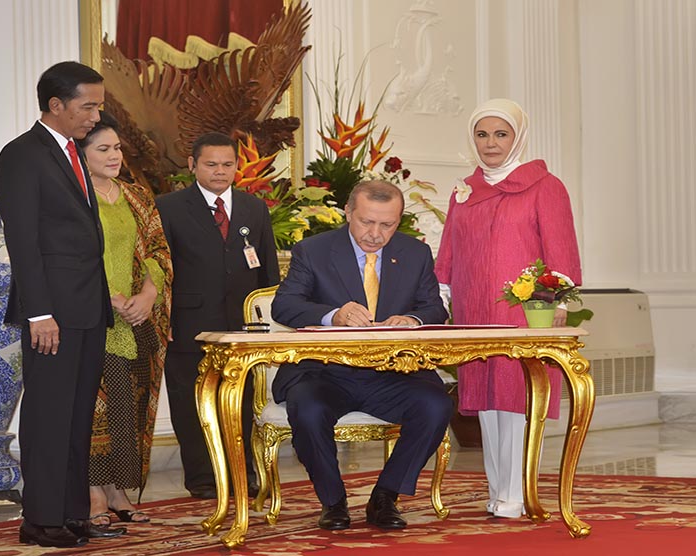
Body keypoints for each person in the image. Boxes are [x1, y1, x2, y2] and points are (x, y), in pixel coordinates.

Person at [0, 61, 126, 548]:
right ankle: (41, 520)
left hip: (87, 308)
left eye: (99, 105)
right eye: (88, 105)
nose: (96, 115)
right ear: (56, 105)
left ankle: (72, 513)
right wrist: (38, 312)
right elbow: (24, 242)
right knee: (49, 416)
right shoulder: (22, 155)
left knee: (75, 419)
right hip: (51, 312)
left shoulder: (71, 152)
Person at [271, 179, 452, 530]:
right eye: (366, 222)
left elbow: (434, 308)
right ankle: (333, 501)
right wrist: (332, 315)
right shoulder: (314, 250)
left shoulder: (414, 253)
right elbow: (285, 305)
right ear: (348, 212)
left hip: (393, 371)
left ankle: (385, 497)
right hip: (326, 372)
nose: (375, 234)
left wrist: (412, 319)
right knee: (307, 409)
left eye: (387, 225)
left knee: (436, 405)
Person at [434, 98, 582, 519]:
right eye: (483, 134)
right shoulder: (464, 191)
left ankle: (515, 493)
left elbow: (561, 250)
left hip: (523, 311)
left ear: (517, 137)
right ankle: (497, 490)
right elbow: (449, 250)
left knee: (516, 399)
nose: (491, 143)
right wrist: (442, 295)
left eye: (501, 134)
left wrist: (555, 301)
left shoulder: (544, 186)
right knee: (485, 401)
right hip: (473, 310)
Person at [155, 132, 280, 499]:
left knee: (241, 402)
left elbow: (267, 272)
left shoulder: (253, 208)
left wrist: (267, 323)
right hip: (189, 326)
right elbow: (159, 270)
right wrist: (165, 321)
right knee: (191, 403)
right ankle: (202, 478)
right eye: (211, 164)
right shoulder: (169, 207)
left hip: (243, 327)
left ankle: (243, 474)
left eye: (227, 164)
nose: (220, 171)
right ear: (193, 165)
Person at [78, 112, 173, 525]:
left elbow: (158, 250)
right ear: (80, 154)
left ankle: (118, 491)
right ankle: (93, 495)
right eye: (103, 149)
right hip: (92, 317)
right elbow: (70, 259)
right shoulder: (74, 197)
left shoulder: (136, 195)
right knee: (95, 410)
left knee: (127, 408)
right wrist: (109, 297)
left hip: (137, 320)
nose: (115, 155)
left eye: (117, 147)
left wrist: (148, 294)